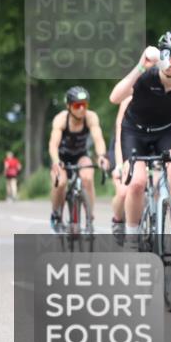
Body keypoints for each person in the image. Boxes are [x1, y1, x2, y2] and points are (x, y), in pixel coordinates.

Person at [109, 31, 171, 246]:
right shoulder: (147, 76)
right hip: (134, 132)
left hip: (165, 132)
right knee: (136, 183)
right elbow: (115, 97)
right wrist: (140, 67)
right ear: (161, 55)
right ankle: (132, 236)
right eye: (168, 54)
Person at [47, 86, 111, 233]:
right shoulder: (61, 120)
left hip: (80, 155)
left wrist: (101, 156)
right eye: (77, 105)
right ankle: (56, 215)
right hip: (61, 157)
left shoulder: (91, 117)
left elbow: (98, 139)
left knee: (87, 177)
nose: (82, 109)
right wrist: (56, 161)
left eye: (85, 104)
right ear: (68, 106)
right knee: (61, 183)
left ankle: (89, 217)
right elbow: (53, 144)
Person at [110, 96, 131, 241]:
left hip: (151, 146)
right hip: (125, 147)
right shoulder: (127, 101)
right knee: (123, 192)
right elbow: (119, 139)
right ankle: (118, 219)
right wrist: (119, 165)